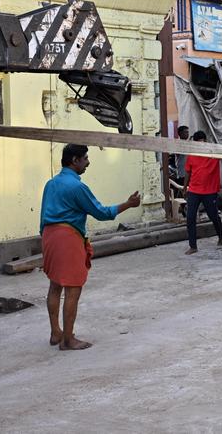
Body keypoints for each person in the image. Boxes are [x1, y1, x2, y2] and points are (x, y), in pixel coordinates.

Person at [40, 144, 141, 350]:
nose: (88, 162)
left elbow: (42, 216)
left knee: (54, 285)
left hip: (49, 236)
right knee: (73, 288)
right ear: (74, 160)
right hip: (68, 237)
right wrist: (128, 204)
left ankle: (55, 332)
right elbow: (102, 212)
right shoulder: (77, 187)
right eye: (85, 158)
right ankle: (68, 339)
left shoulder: (51, 184)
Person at [182, 131, 222, 255]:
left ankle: (221, 236)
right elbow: (188, 172)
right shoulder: (192, 155)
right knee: (190, 217)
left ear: (206, 141)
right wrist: (185, 188)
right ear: (195, 142)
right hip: (194, 190)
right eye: (199, 141)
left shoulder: (213, 153)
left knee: (213, 216)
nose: (201, 143)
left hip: (210, 191)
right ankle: (193, 246)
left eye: (203, 140)